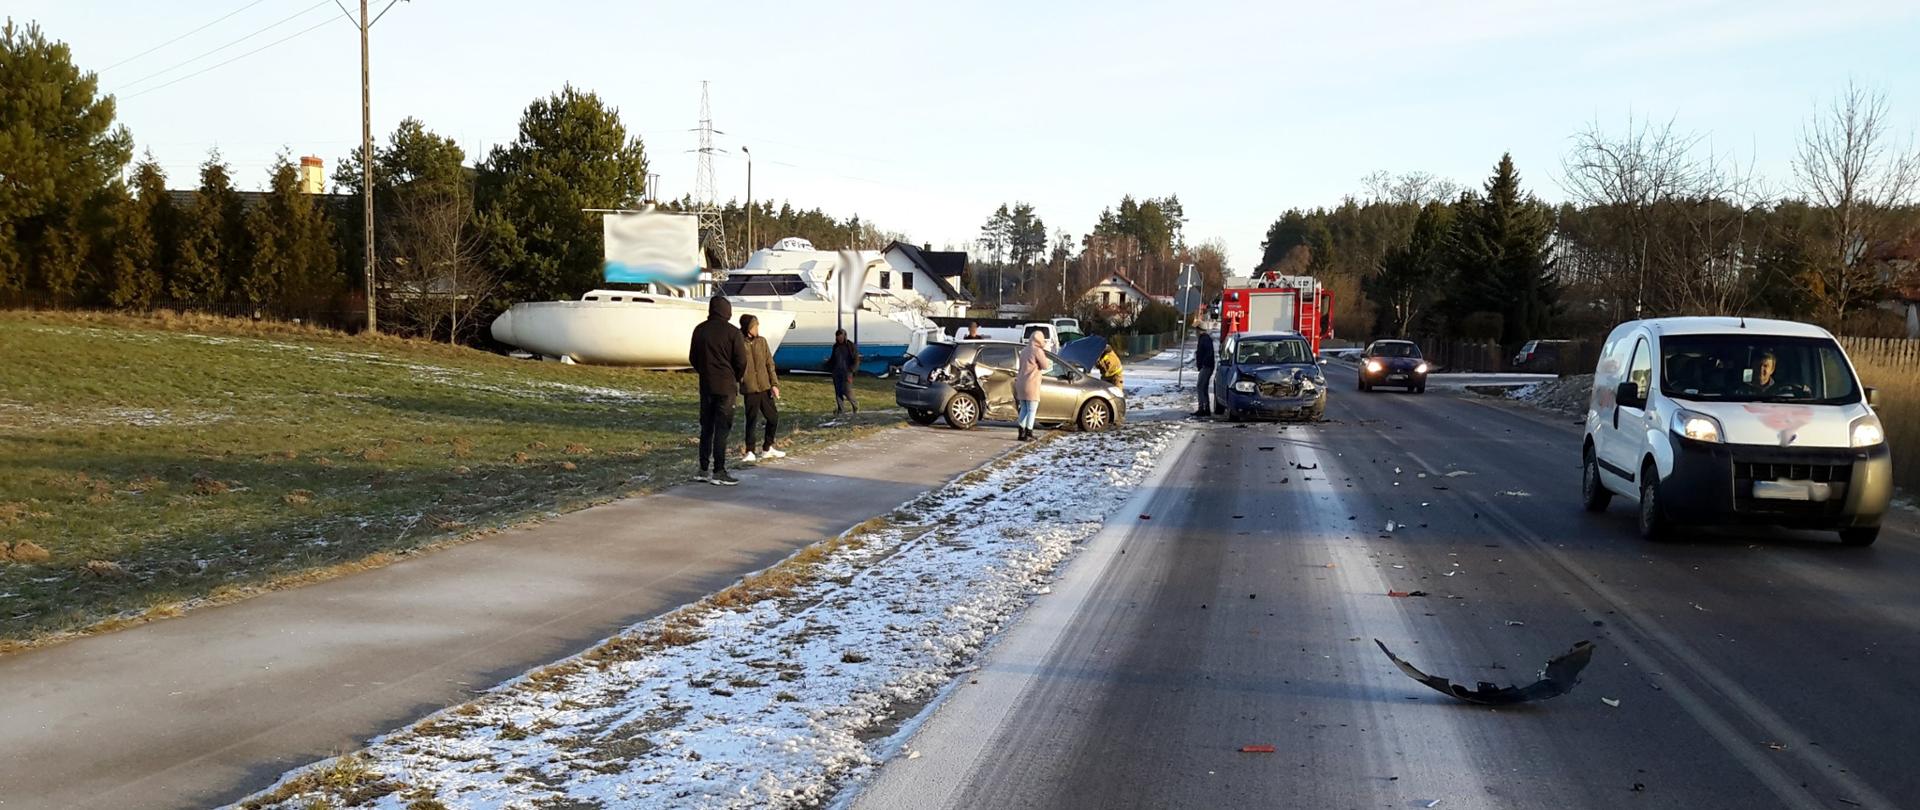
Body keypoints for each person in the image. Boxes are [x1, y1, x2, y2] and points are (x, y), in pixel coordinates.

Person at [689, 296, 748, 486]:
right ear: (727, 311)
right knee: (722, 428)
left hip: (706, 384)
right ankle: (719, 470)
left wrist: (704, 371)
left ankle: (703, 469)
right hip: (726, 385)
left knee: (706, 427)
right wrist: (736, 376)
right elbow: (741, 361)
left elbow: (693, 357)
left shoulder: (700, 330)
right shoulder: (733, 333)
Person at [739, 314, 785, 463]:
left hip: (765, 387)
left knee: (773, 417)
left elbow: (769, 364)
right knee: (751, 420)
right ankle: (750, 451)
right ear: (747, 328)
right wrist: (741, 380)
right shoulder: (739, 343)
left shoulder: (762, 341)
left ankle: (767, 447)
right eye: (754, 326)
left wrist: (774, 384)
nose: (757, 329)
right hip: (750, 388)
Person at [1014, 330, 1051, 441]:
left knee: (1024, 408)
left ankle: (1021, 432)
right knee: (1032, 409)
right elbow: (1045, 365)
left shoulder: (1024, 350)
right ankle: (1029, 431)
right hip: (1032, 383)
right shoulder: (1037, 351)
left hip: (1021, 382)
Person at [829, 329, 861, 413]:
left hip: (847, 372)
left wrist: (852, 370)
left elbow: (856, 359)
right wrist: (828, 365)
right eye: (838, 337)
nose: (839, 339)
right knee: (838, 392)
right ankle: (841, 409)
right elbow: (833, 359)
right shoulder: (835, 346)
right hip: (837, 372)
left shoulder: (850, 346)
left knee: (847, 391)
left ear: (844, 336)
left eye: (841, 337)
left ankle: (855, 406)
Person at [1193, 327, 1215, 417]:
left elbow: (1208, 353)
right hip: (1207, 366)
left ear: (1199, 331)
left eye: (1196, 330)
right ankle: (1206, 408)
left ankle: (1202, 408)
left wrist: (1204, 363)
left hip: (1206, 366)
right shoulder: (1205, 339)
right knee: (1203, 387)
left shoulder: (1204, 339)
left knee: (1200, 387)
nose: (1195, 332)